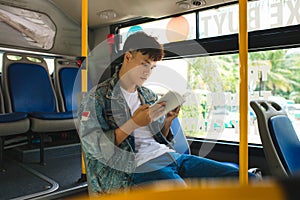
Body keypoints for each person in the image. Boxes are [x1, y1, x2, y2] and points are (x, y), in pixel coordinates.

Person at [78, 31, 256, 195]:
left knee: (247, 180)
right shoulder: (97, 98)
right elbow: (95, 149)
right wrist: (133, 123)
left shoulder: (148, 95)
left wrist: (168, 122)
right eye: (144, 64)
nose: (147, 73)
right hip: (136, 167)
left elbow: (156, 138)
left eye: (152, 68)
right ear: (128, 56)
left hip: (171, 157)